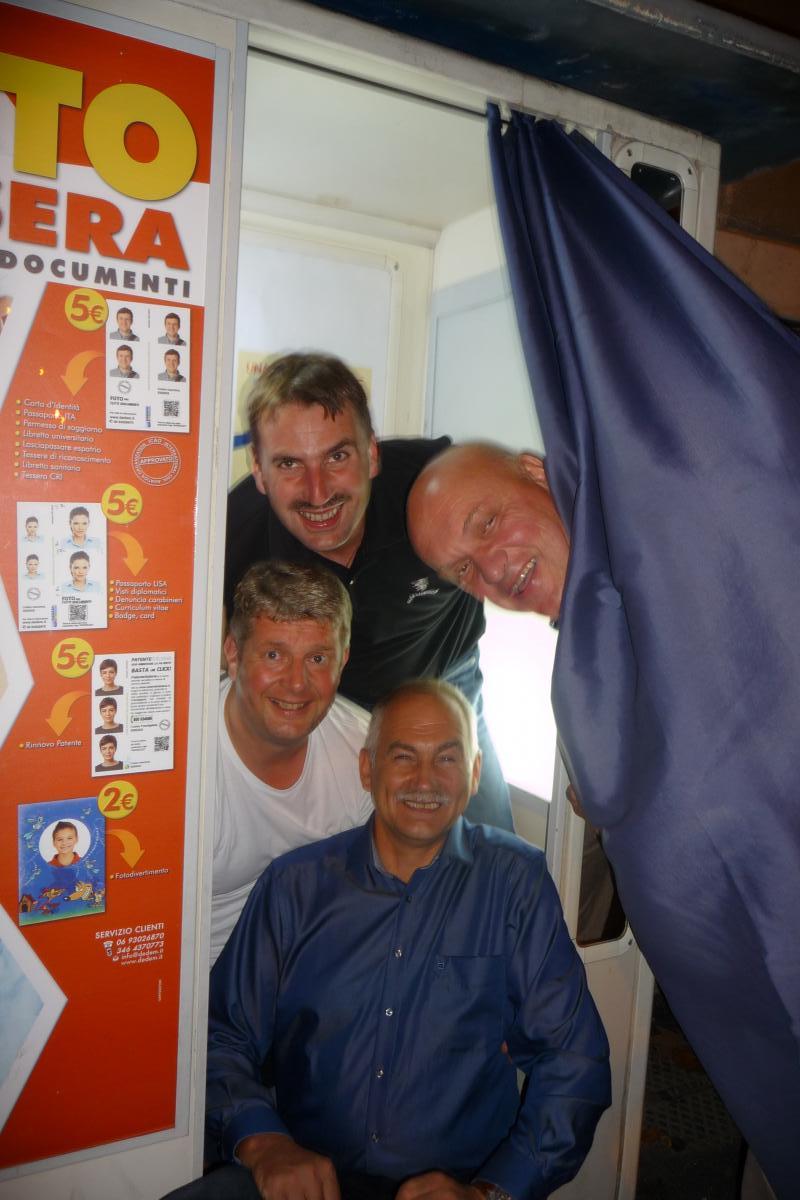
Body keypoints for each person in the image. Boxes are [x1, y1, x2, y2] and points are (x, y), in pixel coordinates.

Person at [165, 680, 610, 1200]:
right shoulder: (295, 886)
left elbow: (573, 1058)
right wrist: (264, 1143)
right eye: (403, 757)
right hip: (303, 1177)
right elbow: (222, 1034)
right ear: (367, 769)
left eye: (447, 758)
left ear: (474, 773)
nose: (425, 780)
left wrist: (492, 1191)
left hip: (458, 1185)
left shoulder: (514, 882)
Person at [224, 352, 513, 831]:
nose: (318, 493)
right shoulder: (232, 537)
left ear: (372, 453)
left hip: (444, 675)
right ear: (258, 469)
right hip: (329, 703)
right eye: (290, 463)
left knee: (488, 841)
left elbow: (560, 555)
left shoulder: (437, 483)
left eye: (337, 456)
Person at [212, 559, 372, 964]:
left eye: (317, 659)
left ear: (343, 660)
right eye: (273, 654)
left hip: (315, 969)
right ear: (233, 654)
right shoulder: (182, 759)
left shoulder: (365, 750)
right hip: (199, 981)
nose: (297, 682)